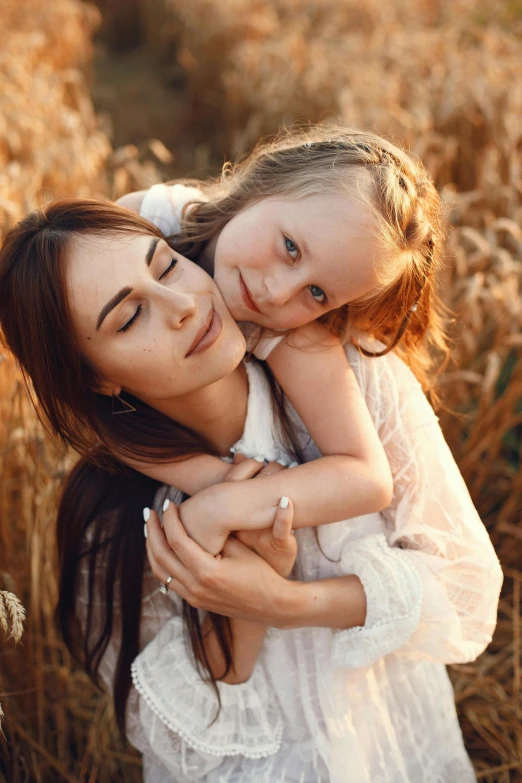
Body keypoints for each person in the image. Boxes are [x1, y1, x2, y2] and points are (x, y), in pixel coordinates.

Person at [0, 195, 502, 782]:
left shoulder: (351, 384)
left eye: (164, 266)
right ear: (97, 378)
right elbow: (172, 728)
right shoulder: (112, 520)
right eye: (129, 317)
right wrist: (243, 605)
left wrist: (287, 603)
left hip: (392, 747)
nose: (183, 304)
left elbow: (464, 588)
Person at [116, 127, 447, 553]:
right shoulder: (148, 221)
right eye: (291, 247)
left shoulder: (286, 332)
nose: (277, 293)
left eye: (317, 294)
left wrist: (225, 502)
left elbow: (368, 479)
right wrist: (198, 475)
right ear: (264, 184)